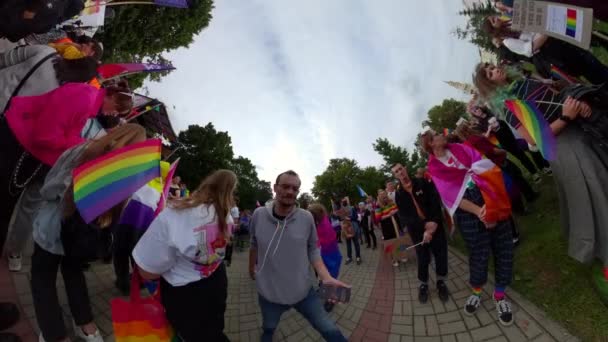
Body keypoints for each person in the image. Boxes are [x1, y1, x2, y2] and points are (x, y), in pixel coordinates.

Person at [474, 62, 608, 282]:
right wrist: (566, 117)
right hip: (565, 146)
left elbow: (558, 95)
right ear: (490, 85)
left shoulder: (523, 81)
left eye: (492, 66)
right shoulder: (509, 106)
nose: (495, 69)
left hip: (582, 129)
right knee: (595, 189)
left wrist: (577, 104)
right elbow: (535, 140)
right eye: (489, 73)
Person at [30, 124, 147, 342]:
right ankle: (86, 327)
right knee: (73, 272)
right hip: (81, 236)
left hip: (53, 227)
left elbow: (49, 188)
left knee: (42, 278)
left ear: (116, 132)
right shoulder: (125, 175)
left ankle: (53, 334)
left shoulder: (82, 150)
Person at [420, 130, 515, 326]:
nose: (441, 133)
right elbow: (449, 196)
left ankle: (499, 295)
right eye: (436, 134)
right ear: (431, 143)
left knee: (503, 247)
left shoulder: (460, 148)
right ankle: (477, 291)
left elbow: (486, 168)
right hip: (468, 210)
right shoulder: (434, 167)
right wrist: (480, 211)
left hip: (489, 194)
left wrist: (491, 205)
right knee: (478, 253)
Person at [133, 170, 237, 342]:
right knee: (214, 331)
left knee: (192, 334)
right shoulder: (227, 217)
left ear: (207, 182)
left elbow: (147, 271)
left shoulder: (174, 214)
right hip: (217, 283)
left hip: (185, 295)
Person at [248, 170, 349, 342]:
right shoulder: (259, 215)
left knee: (329, 329)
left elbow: (313, 249)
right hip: (269, 294)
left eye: (295, 189)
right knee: (268, 327)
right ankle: (267, 333)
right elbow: (253, 244)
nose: (290, 192)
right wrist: (251, 268)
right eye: (285, 186)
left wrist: (325, 277)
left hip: (303, 292)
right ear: (275, 188)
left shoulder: (306, 217)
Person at [483, 15, 608, 85]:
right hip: (556, 53)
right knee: (589, 67)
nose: (497, 18)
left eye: (494, 17)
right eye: (493, 21)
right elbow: (531, 48)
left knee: (591, 62)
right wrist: (547, 31)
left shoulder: (511, 22)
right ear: (493, 29)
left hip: (560, 42)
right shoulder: (508, 41)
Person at [391, 163, 450, 304]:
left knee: (440, 254)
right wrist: (424, 227)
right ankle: (423, 284)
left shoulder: (422, 182)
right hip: (417, 231)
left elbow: (435, 202)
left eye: (401, 169)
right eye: (396, 172)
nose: (400, 172)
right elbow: (405, 217)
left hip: (435, 225)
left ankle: (441, 282)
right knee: (423, 257)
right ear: (395, 176)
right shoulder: (399, 194)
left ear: (405, 169)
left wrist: (433, 223)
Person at [0, 45, 99, 112]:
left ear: (79, 59)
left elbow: (7, 58)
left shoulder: (47, 53)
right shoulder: (61, 96)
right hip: (5, 109)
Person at [469, 104, 550, 181]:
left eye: (477, 108)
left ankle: (543, 167)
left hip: (511, 133)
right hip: (504, 141)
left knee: (532, 147)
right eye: (474, 111)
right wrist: (489, 129)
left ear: (480, 108)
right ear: (474, 115)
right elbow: (485, 136)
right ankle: (534, 173)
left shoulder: (490, 111)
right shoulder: (480, 124)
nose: (477, 111)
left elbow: (502, 116)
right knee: (520, 156)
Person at [308, 203, 343, 312]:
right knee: (325, 278)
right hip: (324, 256)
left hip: (330, 257)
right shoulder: (319, 223)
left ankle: (331, 300)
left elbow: (324, 241)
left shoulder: (324, 225)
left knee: (330, 280)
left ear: (316, 215)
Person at [0, 0, 84, 42]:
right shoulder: (59, 14)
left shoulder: (59, 9)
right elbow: (40, 30)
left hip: (11, 17)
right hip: (13, 23)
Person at [375, 190, 405, 267]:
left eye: (384, 194)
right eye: (381, 194)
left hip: (395, 222)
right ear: (379, 196)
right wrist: (388, 215)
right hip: (387, 226)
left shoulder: (390, 201)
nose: (383, 195)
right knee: (391, 242)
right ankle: (394, 259)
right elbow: (378, 218)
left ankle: (401, 255)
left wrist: (394, 211)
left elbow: (397, 208)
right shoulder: (378, 205)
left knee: (399, 239)